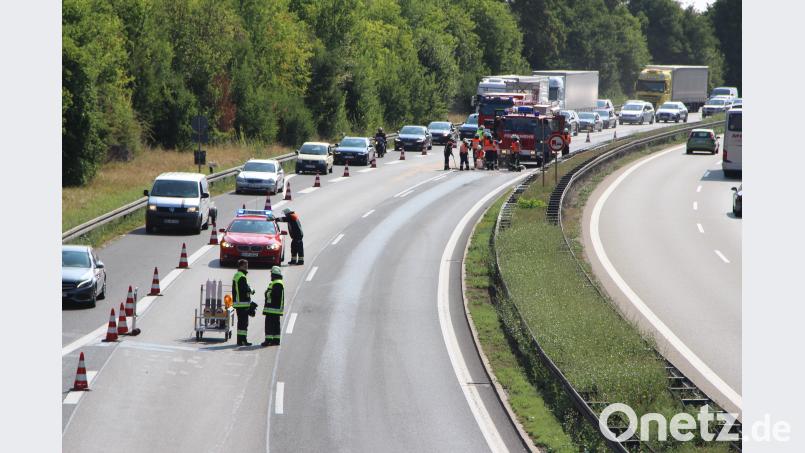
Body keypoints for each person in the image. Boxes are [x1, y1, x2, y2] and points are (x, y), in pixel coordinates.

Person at [232, 259, 255, 346]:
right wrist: (251, 290)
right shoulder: (241, 276)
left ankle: (239, 340)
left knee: (241, 323)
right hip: (242, 303)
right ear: (240, 266)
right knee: (244, 323)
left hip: (239, 303)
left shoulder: (237, 275)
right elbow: (244, 289)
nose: (247, 267)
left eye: (247, 265)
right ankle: (243, 340)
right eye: (245, 265)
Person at [261, 266, 285, 347]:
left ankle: (268, 340)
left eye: (271, 273)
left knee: (269, 325)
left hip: (272, 309)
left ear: (274, 274)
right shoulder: (277, 282)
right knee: (275, 324)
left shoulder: (277, 283)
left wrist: (267, 293)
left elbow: (275, 295)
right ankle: (276, 340)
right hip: (274, 309)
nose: (270, 275)